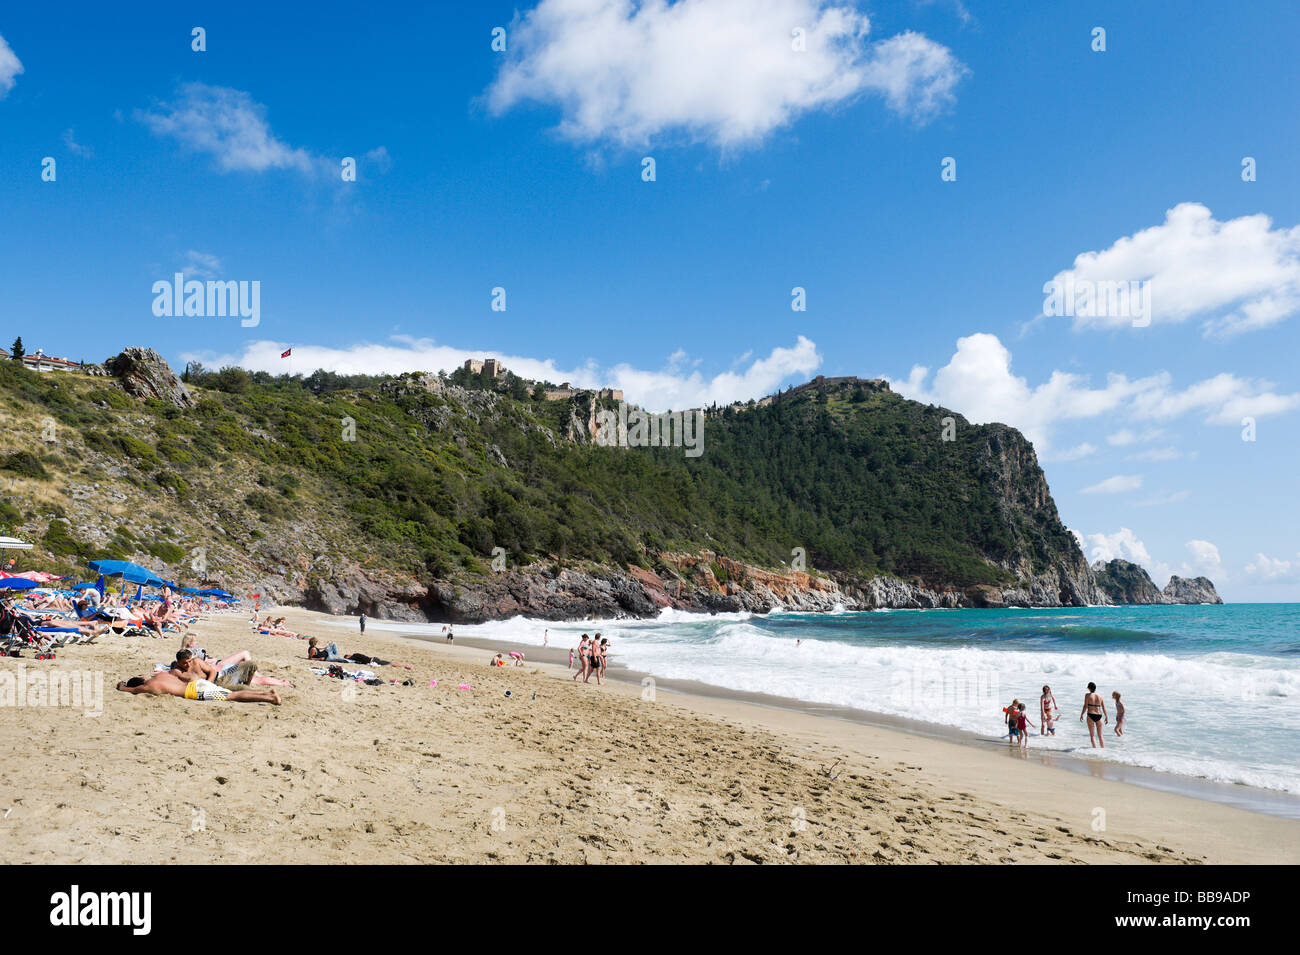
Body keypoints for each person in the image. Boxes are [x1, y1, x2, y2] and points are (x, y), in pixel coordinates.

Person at [117, 670, 281, 704]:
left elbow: (129, 689)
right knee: (228, 692)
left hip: (194, 692)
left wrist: (122, 686)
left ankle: (270, 698)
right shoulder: (159, 676)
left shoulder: (149, 686)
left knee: (231, 696)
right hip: (197, 684)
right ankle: (267, 692)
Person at [1080, 682, 1108, 747]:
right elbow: (1104, 708)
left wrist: (1082, 714)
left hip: (1090, 714)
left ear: (1089, 688)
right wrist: (1106, 717)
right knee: (1100, 736)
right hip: (1099, 715)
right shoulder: (1100, 696)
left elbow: (1085, 706)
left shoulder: (1087, 695)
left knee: (1092, 736)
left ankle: (1095, 752)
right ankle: (1103, 751)